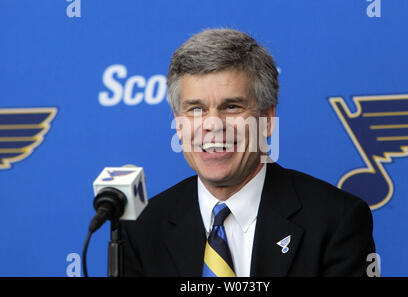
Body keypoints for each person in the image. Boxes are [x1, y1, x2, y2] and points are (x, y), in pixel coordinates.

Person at [121, 28, 376, 277]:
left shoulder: (336, 220)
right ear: (178, 123)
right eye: (195, 109)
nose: (212, 124)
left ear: (267, 119)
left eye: (231, 107)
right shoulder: (143, 227)